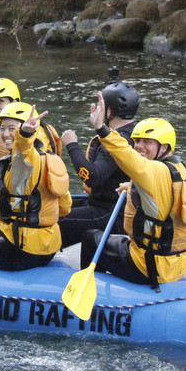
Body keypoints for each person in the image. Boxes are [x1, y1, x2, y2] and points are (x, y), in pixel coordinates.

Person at [79, 94, 186, 289]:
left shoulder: (152, 171)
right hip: (178, 263)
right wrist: (131, 186)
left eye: (147, 142)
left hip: (148, 266)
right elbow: (163, 195)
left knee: (91, 238)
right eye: (137, 141)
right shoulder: (181, 169)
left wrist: (101, 128)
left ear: (164, 147)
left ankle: (94, 292)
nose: (139, 147)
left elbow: (127, 156)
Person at [0, 102, 73, 270]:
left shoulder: (23, 160)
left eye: (12, 129)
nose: (5, 134)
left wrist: (24, 135)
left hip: (20, 249)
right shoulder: (52, 159)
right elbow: (65, 207)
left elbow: (24, 151)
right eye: (3, 129)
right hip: (48, 248)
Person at [0, 78, 63, 230]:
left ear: (14, 101)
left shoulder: (33, 133)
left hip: (29, 199)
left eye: (0, 102)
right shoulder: (0, 131)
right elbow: (2, 167)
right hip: (16, 191)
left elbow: (28, 170)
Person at [59, 68, 140, 247]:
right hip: (102, 203)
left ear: (110, 111)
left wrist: (72, 145)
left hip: (111, 213)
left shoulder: (119, 142)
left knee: (54, 219)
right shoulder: (134, 131)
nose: (97, 108)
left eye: (102, 105)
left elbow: (91, 177)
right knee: (53, 206)